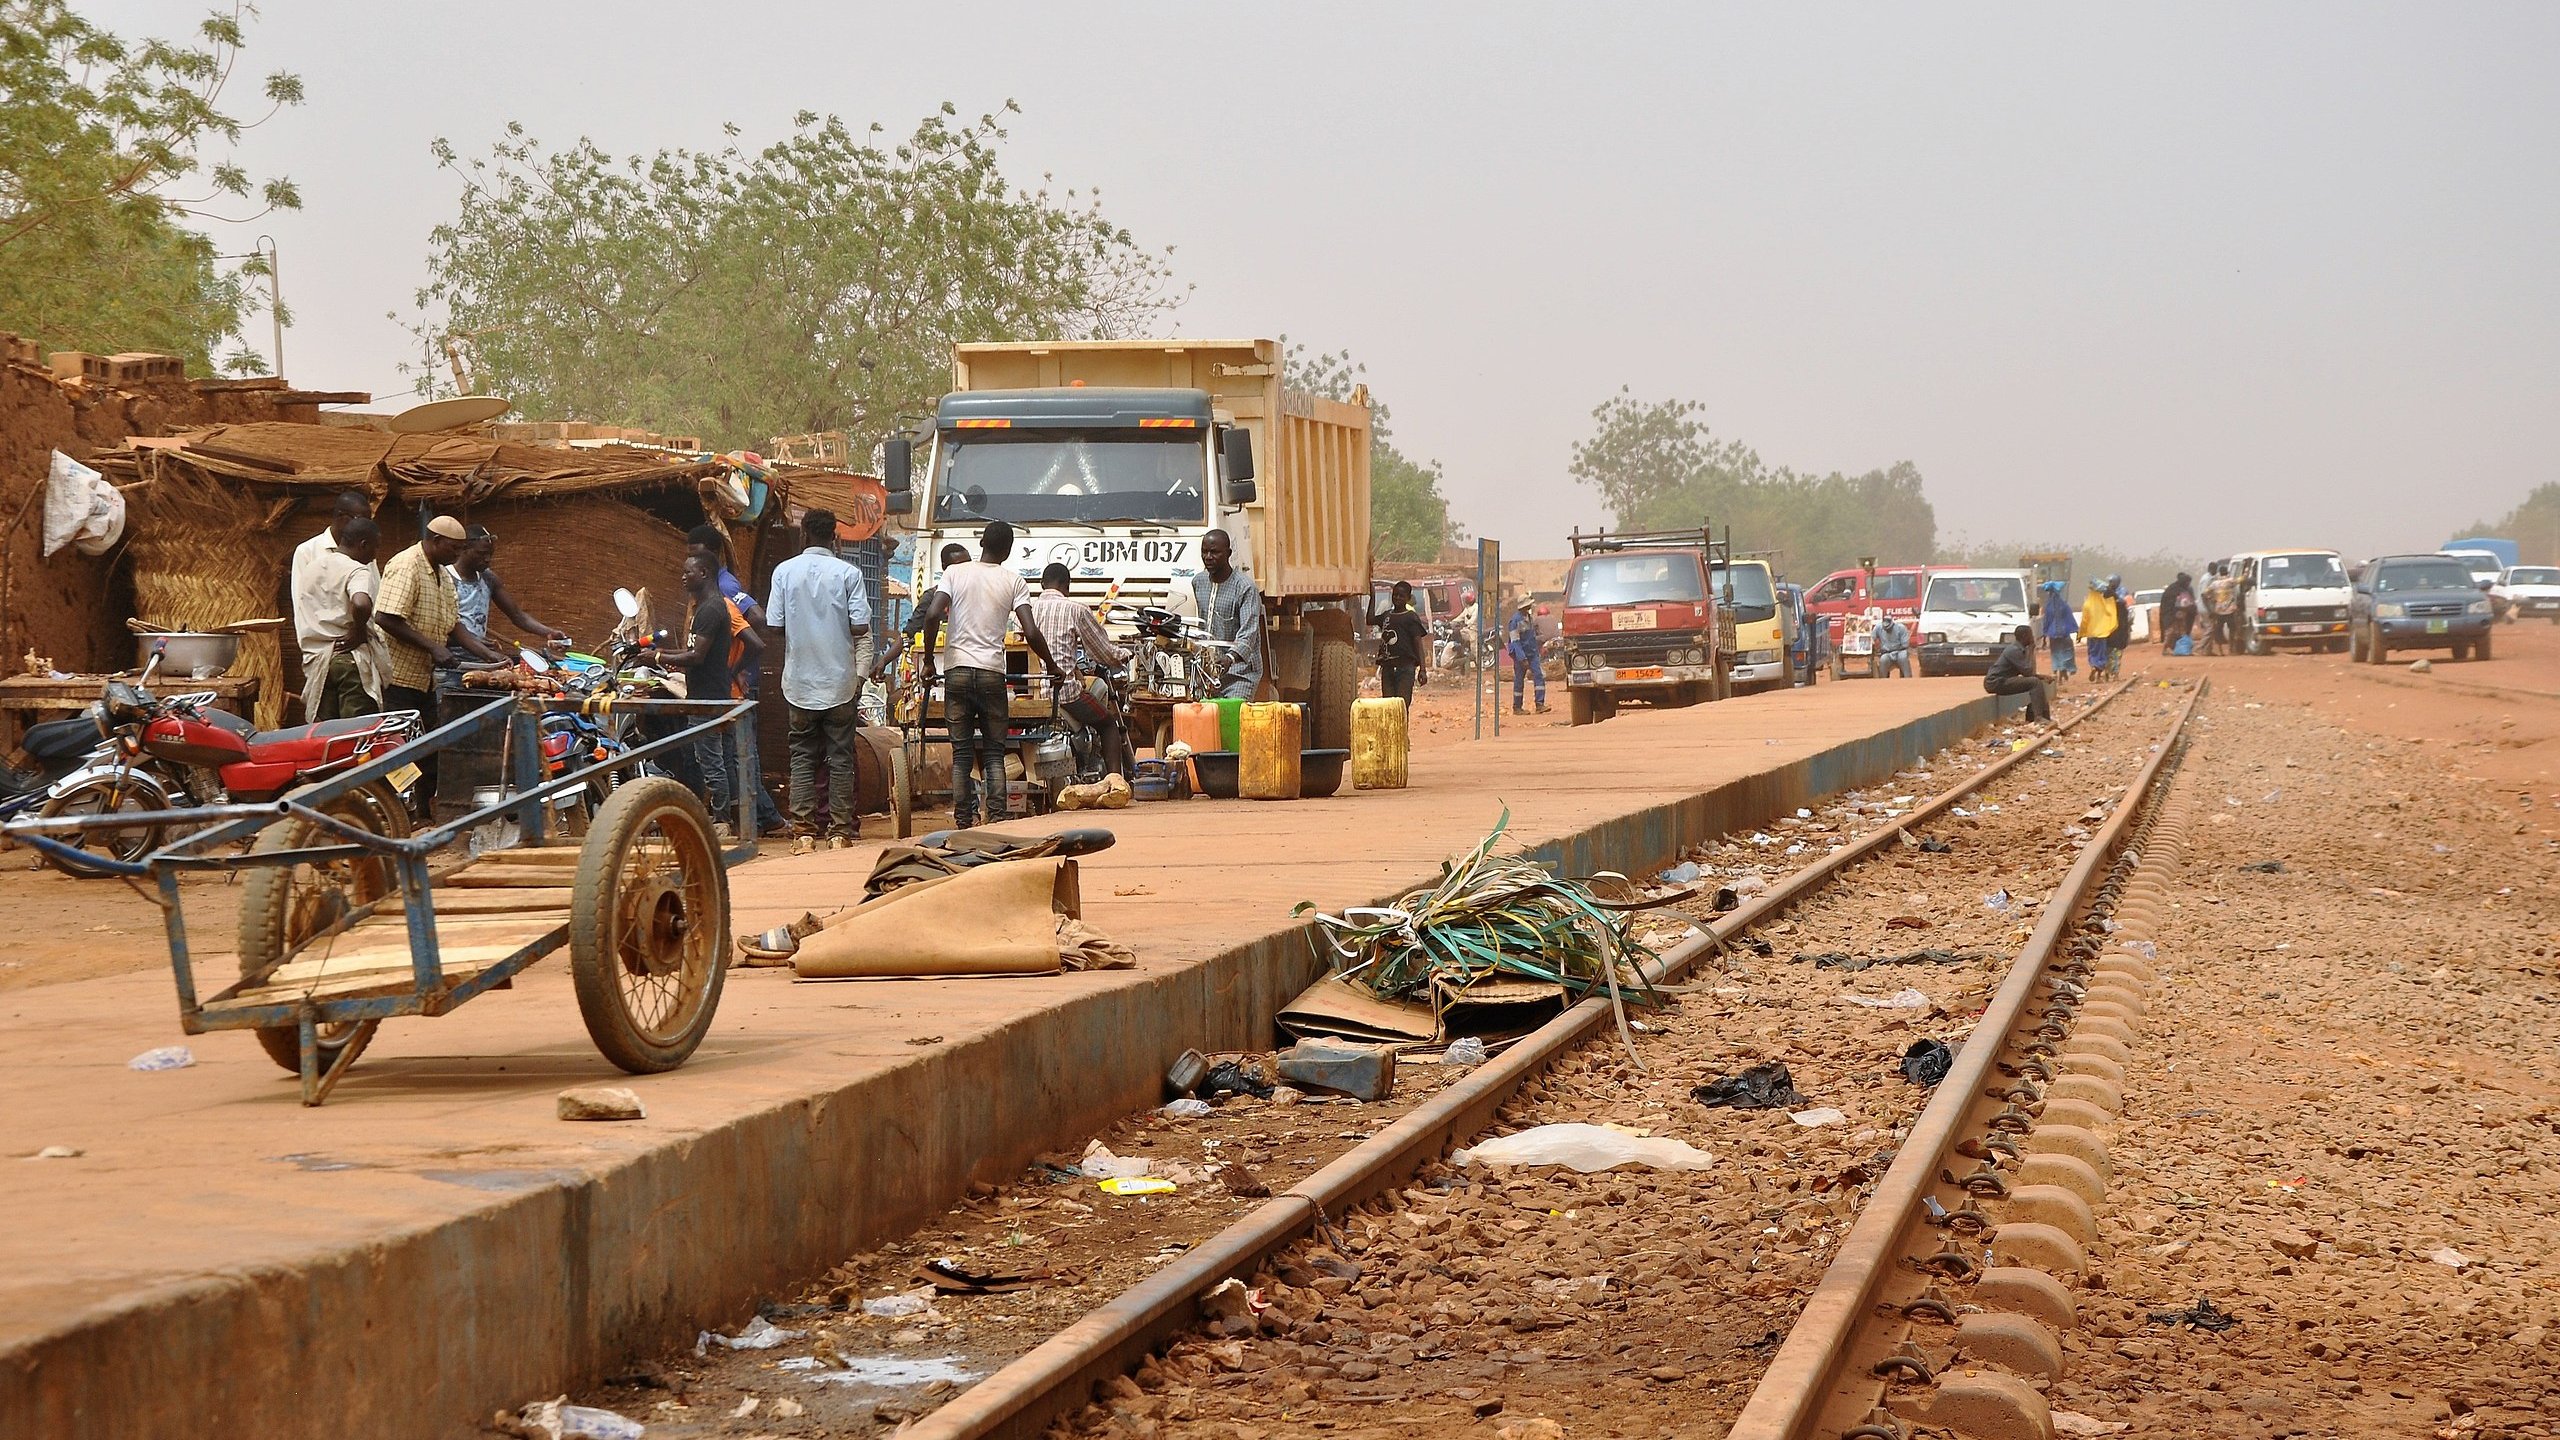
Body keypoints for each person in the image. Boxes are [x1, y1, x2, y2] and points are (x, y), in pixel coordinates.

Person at [913, 521, 1063, 828]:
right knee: (994, 751)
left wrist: (929, 661)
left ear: (981, 542)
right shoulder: (1013, 581)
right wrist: (1051, 665)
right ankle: (997, 818)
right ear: (1008, 551)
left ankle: (963, 822)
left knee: (962, 752)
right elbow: (1031, 631)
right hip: (992, 673)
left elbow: (931, 615)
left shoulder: (955, 573)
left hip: (956, 672)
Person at [764, 509, 872, 854]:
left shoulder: (784, 572)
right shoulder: (848, 573)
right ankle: (840, 833)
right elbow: (860, 627)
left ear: (804, 535)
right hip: (839, 681)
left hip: (799, 681)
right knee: (840, 758)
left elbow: (774, 626)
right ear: (835, 537)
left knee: (802, 757)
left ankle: (803, 834)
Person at [687, 524, 788, 837]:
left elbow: (758, 623)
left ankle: (747, 819)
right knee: (735, 757)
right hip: (728, 688)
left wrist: (733, 667)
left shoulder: (723, 593)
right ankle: (756, 818)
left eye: (692, 559)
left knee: (732, 758)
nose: (685, 570)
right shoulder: (718, 592)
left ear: (705, 562)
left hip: (728, 690)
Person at [652, 553, 752, 836]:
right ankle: (727, 815)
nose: (683, 577)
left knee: (711, 760)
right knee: (717, 758)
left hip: (708, 698)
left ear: (705, 573)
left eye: (688, 572)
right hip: (712, 694)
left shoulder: (710, 610)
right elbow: (694, 654)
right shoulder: (707, 608)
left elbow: (697, 656)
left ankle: (721, 820)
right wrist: (660, 656)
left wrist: (657, 657)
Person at [1029, 563, 1133, 780]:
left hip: (1033, 692)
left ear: (1041, 584)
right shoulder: (1075, 609)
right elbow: (1101, 651)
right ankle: (1115, 782)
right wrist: (1123, 654)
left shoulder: (1027, 609)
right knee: (1108, 725)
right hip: (1064, 693)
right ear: (1067, 587)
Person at [289, 491, 383, 721]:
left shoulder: (318, 565)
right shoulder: (311, 554)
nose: (374, 556)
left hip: (321, 657)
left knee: (326, 733)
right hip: (346, 656)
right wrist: (360, 631)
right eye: (359, 519)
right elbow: (363, 604)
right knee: (357, 734)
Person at [450, 526, 569, 663]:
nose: (487, 559)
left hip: (480, 658)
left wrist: (548, 632)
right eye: (481, 554)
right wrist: (475, 642)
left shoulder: (488, 578)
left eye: (490, 554)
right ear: (464, 549)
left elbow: (517, 615)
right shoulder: (447, 578)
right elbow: (444, 627)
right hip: (452, 659)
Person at [1185, 529, 1264, 700]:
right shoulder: (1198, 582)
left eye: (1214, 552)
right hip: (1206, 674)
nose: (1208, 557)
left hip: (1239, 674)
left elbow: (1249, 633)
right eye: (1204, 552)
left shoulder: (1245, 587)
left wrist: (1230, 658)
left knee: (1231, 721)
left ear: (1228, 553)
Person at [1374, 581, 1428, 706]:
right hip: (1387, 668)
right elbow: (1369, 619)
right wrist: (1372, 596)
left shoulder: (1411, 617)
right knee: (1388, 707)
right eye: (1395, 595)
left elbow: (1418, 643)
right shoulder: (1386, 616)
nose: (1397, 598)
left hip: (1405, 668)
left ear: (1408, 598)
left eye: (1401, 596)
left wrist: (1423, 669)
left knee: (1402, 706)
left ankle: (1403, 726)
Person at [1983, 624, 2051, 723]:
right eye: (2030, 635)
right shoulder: (2014, 650)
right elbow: (2028, 672)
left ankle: (2040, 717)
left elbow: (2028, 672)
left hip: (2003, 680)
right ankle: (2038, 717)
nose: (2032, 638)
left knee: (2038, 684)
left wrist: (2043, 677)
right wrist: (2031, 650)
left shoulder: (2019, 649)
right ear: (2024, 636)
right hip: (1995, 682)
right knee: (2035, 683)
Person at [1506, 599, 1549, 713]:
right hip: (1521, 655)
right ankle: (1517, 707)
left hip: (1532, 653)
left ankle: (1540, 704)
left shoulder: (1529, 618)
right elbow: (1515, 642)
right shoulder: (1515, 621)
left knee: (1539, 675)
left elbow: (1532, 636)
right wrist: (1522, 658)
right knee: (1519, 679)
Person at [2079, 578, 2121, 679]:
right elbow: (2112, 615)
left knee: (2092, 652)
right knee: (2101, 654)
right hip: (2102, 633)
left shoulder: (2087, 604)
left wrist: (2081, 633)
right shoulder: (2105, 604)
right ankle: (2098, 675)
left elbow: (2084, 621)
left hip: (2091, 633)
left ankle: (2093, 666)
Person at [2037, 580, 2078, 683]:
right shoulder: (2064, 605)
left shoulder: (2048, 607)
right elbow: (2070, 618)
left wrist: (2045, 634)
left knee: (2055, 653)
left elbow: (2046, 621)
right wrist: (2076, 630)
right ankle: (2064, 669)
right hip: (2064, 633)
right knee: (2067, 651)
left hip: (2053, 634)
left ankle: (2056, 670)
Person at [2203, 562, 2242, 656]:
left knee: (2218, 631)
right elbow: (2241, 579)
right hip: (2230, 610)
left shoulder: (2215, 584)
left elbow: (2205, 593)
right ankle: (2231, 649)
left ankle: (2220, 651)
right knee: (2232, 630)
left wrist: (2212, 599)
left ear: (2219, 573)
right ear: (2227, 572)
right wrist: (2247, 570)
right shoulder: (2230, 581)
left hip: (2219, 610)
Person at [2158, 571, 2198, 652]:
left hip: (2179, 613)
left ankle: (2180, 648)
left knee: (2181, 631)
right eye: (2187, 582)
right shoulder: (2173, 589)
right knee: (2170, 631)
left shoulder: (2183, 589)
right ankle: (2165, 648)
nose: (2188, 584)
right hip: (2169, 612)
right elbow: (2178, 603)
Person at [1874, 607, 1913, 678]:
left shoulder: (1901, 628)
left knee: (1903, 658)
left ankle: (1908, 678)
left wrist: (1895, 649)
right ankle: (1882, 680)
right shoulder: (1878, 627)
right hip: (1886, 653)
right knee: (1883, 660)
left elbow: (1905, 644)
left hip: (1900, 651)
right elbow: (1871, 638)